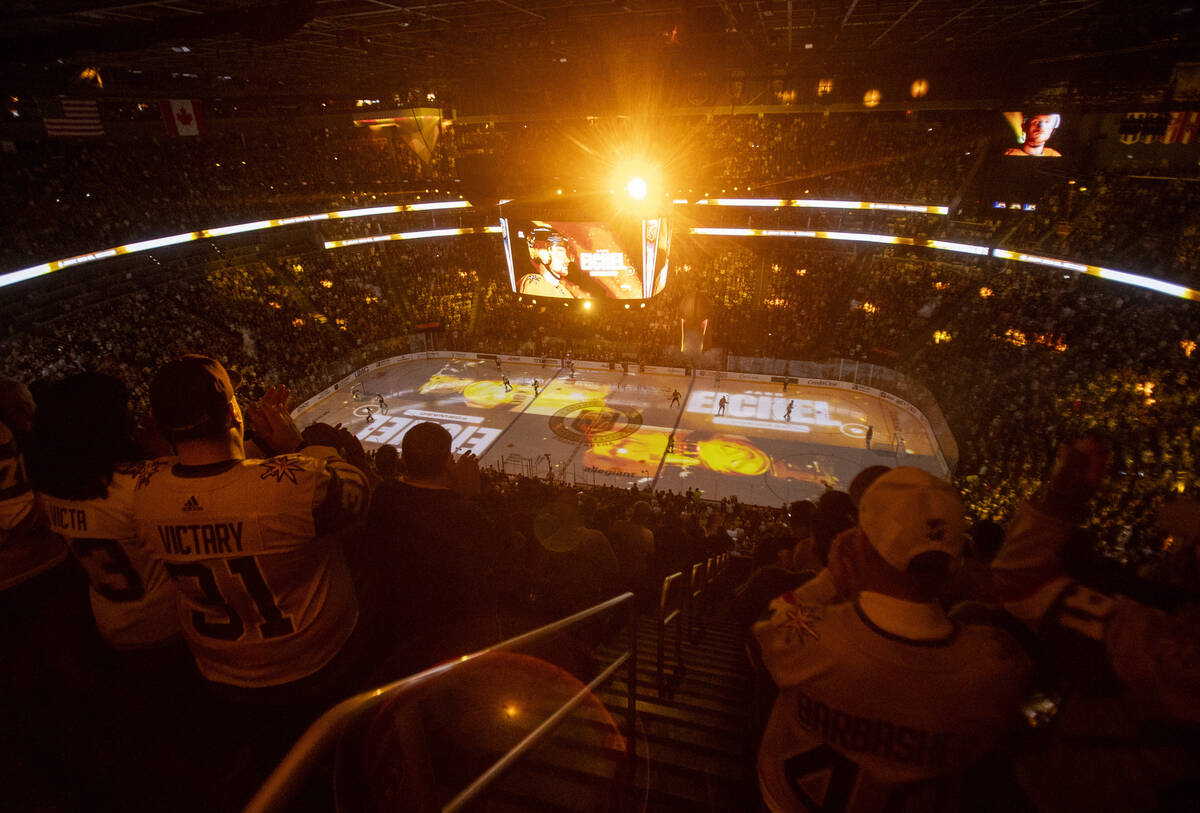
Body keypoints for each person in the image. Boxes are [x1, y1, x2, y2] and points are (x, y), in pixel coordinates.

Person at [753, 467, 1032, 811]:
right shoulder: (992, 669)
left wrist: (831, 580)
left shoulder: (806, 636)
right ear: (955, 562)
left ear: (860, 544)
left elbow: (771, 620)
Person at [133, 356, 370, 701]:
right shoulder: (293, 486)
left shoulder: (144, 490)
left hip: (217, 668)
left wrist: (260, 442)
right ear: (231, 412)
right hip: (315, 662)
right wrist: (296, 446)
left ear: (159, 424)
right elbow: (356, 490)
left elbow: (219, 479)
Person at [362, 422, 502, 677]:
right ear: (449, 461)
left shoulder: (384, 495)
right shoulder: (462, 514)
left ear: (404, 460)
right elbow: (494, 550)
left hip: (396, 626)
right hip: (450, 633)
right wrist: (472, 494)